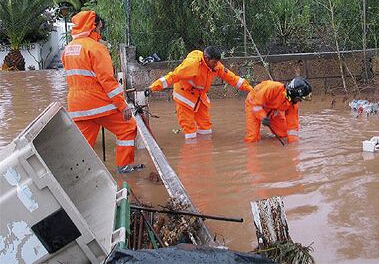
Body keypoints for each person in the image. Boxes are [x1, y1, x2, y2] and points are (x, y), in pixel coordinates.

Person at [62, 10, 143, 174]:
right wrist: (123, 106)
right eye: (100, 26)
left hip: (76, 105)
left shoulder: (68, 49)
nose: (101, 29)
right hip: (98, 102)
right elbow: (108, 81)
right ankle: (124, 167)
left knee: (83, 145)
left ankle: (76, 175)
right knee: (127, 127)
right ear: (93, 26)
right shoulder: (96, 48)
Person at [144, 46, 253, 139]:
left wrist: (251, 90)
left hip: (199, 96)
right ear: (206, 58)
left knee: (206, 128)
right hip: (184, 96)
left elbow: (232, 78)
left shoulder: (216, 66)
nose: (216, 65)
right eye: (214, 62)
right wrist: (152, 87)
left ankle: (203, 154)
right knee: (190, 131)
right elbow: (171, 77)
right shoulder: (191, 65)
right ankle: (191, 153)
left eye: (217, 62)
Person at [244, 77, 312, 143]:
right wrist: (263, 117)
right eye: (299, 98)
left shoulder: (293, 105)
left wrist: (293, 145)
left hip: (271, 109)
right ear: (293, 94)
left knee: (284, 134)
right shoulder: (272, 88)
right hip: (253, 103)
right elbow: (256, 105)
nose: (300, 101)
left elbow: (292, 126)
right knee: (253, 138)